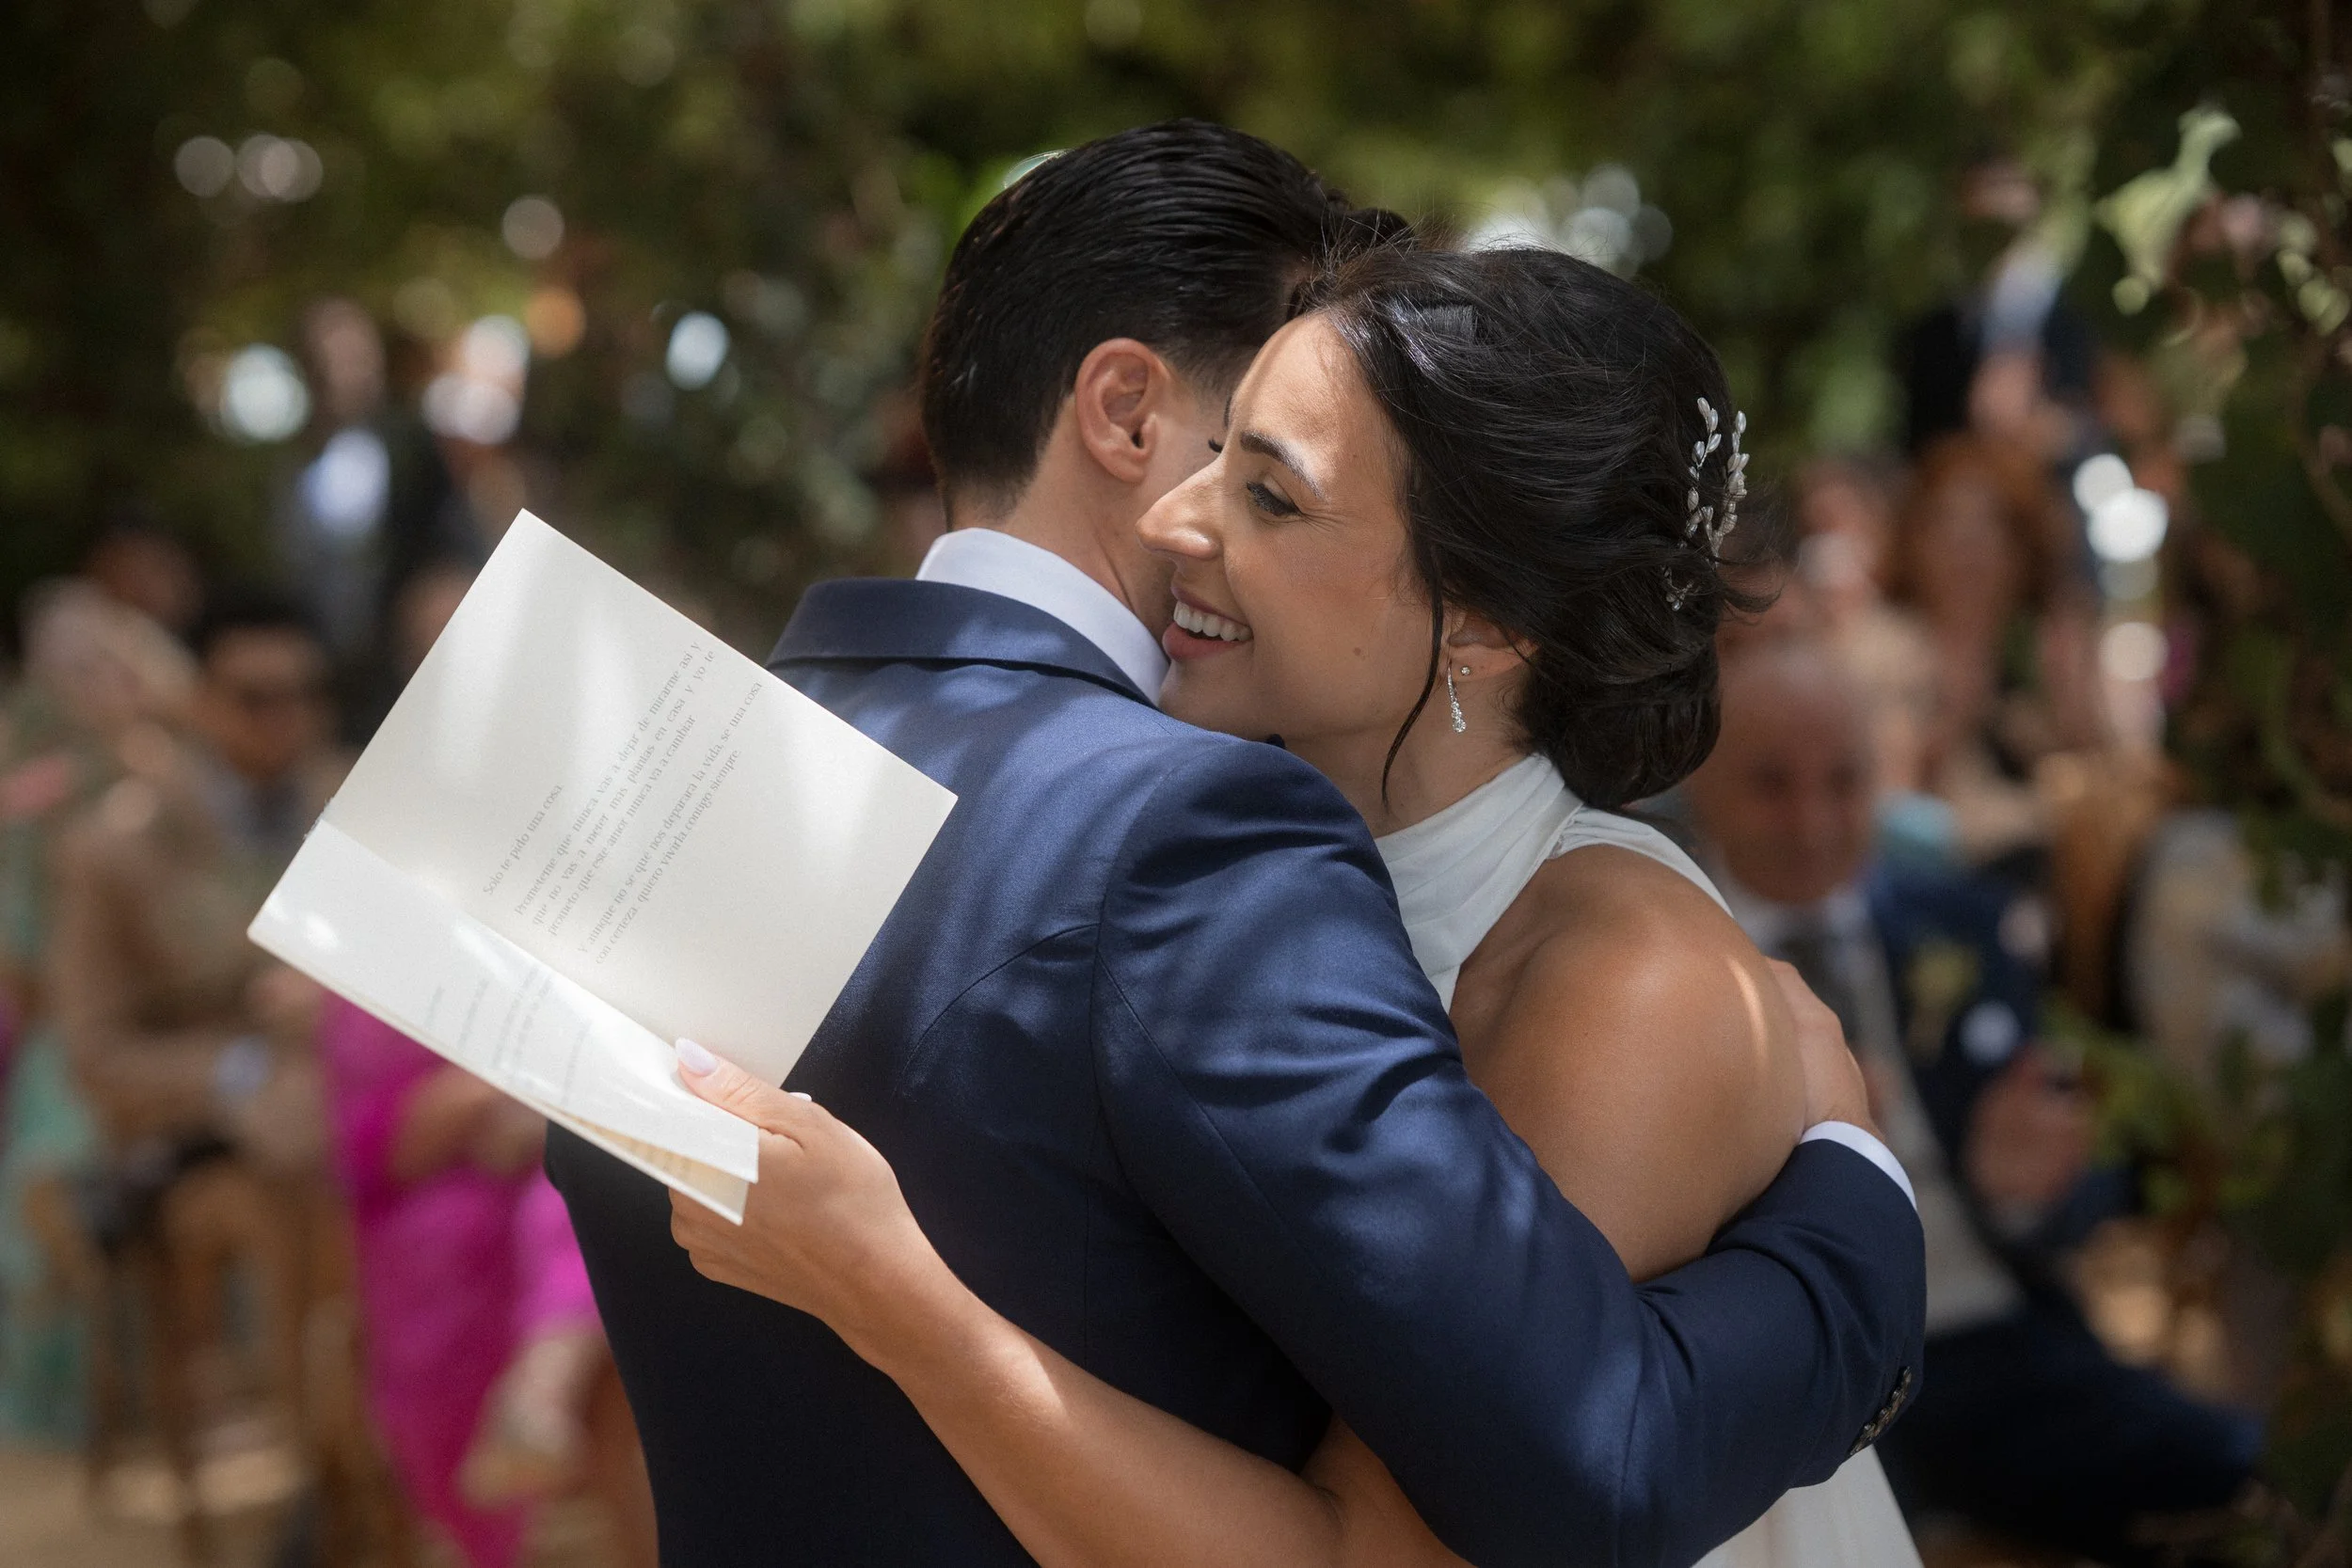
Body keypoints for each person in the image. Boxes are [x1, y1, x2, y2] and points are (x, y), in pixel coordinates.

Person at [549, 120, 1923, 1568]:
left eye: (1269, 490)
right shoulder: (1211, 846)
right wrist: (1854, 1217)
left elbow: (1549, 1481)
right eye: (1227, 454)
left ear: (1488, 616)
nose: (1184, 521)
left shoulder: (1612, 970)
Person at [1682, 639, 2260, 1566]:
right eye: (1771, 783)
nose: (1813, 821)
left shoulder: (1959, 918)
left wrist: (2024, 1187)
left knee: (2250, 1481)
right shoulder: (1667, 955)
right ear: (1700, 777)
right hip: (1796, 1376)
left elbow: (2094, 1186)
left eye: (1843, 780)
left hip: (1987, 1343)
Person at [319, 999, 654, 1568]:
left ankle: (542, 1387)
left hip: (585, 1164)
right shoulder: (362, 1004)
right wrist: (484, 1100)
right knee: (445, 1261)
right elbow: (371, 1150)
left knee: (582, 1204)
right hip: (445, 1203)